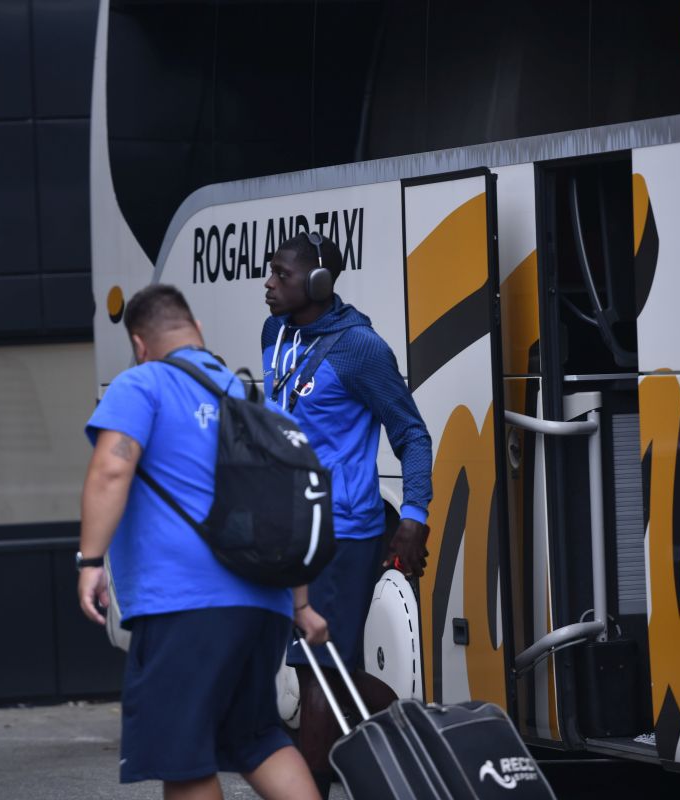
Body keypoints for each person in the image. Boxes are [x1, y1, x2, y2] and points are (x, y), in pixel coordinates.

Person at [77, 284, 329, 800]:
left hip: (185, 606)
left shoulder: (143, 383)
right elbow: (288, 506)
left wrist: (91, 560)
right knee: (257, 737)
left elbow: (111, 468)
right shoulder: (250, 398)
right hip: (265, 605)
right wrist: (300, 604)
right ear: (198, 332)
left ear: (140, 344)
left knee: (184, 757)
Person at [262, 232, 433, 794]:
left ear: (317, 283)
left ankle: (312, 788)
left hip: (343, 530)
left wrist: (412, 516)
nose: (268, 283)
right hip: (288, 528)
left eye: (281, 274)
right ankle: (418, 729)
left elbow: (411, 434)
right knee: (328, 669)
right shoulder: (274, 333)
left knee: (318, 670)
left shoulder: (361, 349)